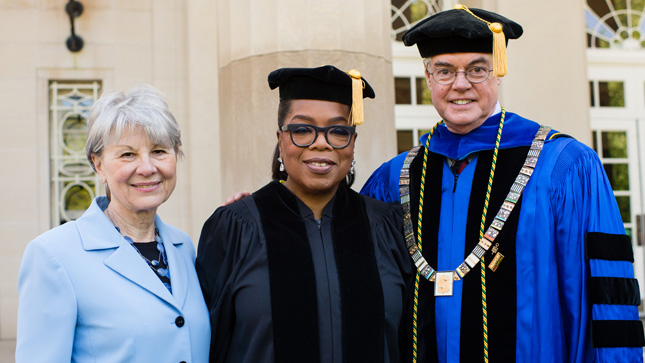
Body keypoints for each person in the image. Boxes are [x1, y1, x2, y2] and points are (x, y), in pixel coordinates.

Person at [360, 4, 645, 363]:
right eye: (444, 70)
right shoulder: (396, 177)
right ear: (427, 77)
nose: (460, 84)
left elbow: (605, 295)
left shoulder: (563, 166)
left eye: (477, 70)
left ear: (498, 73)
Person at [196, 65, 414, 362]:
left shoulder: (387, 228)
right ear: (280, 139)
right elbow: (206, 344)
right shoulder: (237, 228)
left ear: (353, 142)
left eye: (339, 131)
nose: (320, 142)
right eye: (301, 129)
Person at [16, 84, 210, 362]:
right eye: (127, 154)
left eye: (158, 151)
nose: (146, 168)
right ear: (98, 165)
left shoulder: (184, 248)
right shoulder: (53, 256)